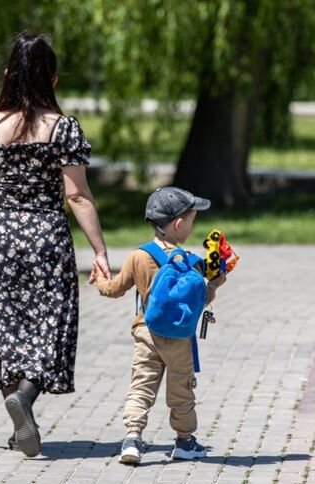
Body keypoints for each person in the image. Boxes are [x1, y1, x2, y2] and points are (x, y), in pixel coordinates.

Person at [0, 32, 111, 458]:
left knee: (4, 329)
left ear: (8, 75)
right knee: (51, 325)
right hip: (45, 237)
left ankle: (19, 419)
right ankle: (24, 397)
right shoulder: (63, 128)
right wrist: (99, 251)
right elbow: (77, 195)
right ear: (51, 80)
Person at [90, 187, 227, 464]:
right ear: (178, 224)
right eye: (192, 220)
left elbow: (115, 289)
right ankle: (185, 441)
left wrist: (101, 280)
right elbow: (201, 298)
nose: (192, 226)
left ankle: (132, 438)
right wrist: (215, 284)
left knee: (141, 386)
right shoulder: (191, 263)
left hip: (146, 333)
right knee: (182, 391)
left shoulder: (138, 256)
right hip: (179, 338)